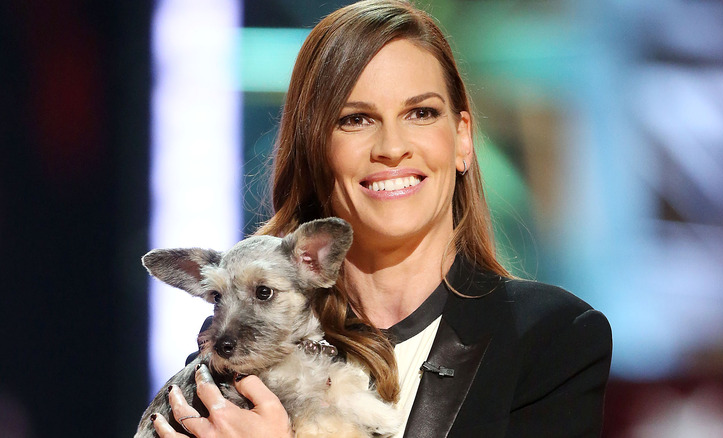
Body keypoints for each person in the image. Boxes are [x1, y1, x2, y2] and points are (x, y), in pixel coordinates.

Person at [150, 0, 612, 437]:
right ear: (315, 152)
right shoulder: (229, 364)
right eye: (356, 119)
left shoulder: (551, 340)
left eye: (421, 113)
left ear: (462, 140)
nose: (392, 146)